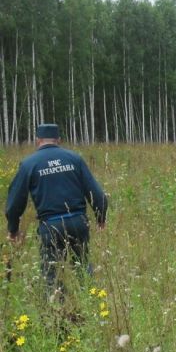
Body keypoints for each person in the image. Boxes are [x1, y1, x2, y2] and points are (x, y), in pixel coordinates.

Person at [5, 124, 108, 301]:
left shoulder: (29, 164)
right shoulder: (74, 159)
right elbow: (96, 193)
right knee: (82, 266)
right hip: (78, 222)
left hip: (50, 226)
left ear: (37, 140)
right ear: (59, 140)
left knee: (50, 273)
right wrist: (101, 217)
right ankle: (92, 304)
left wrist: (13, 229)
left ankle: (58, 311)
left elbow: (15, 202)